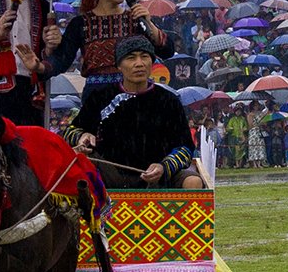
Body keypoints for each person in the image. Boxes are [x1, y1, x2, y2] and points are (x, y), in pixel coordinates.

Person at [66, 35, 203, 189]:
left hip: (157, 176)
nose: (139, 64)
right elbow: (70, 131)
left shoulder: (168, 100)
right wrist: (82, 135)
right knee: (81, 168)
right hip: (109, 175)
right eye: (131, 58)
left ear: (152, 62)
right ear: (119, 65)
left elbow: (185, 148)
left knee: (193, 182)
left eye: (144, 57)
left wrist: (163, 167)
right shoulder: (100, 97)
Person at [46, 0, 155, 114]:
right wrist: (44, 59)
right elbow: (61, 61)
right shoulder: (80, 24)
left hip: (134, 92)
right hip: (96, 98)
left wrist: (149, 23)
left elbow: (165, 50)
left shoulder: (135, 19)